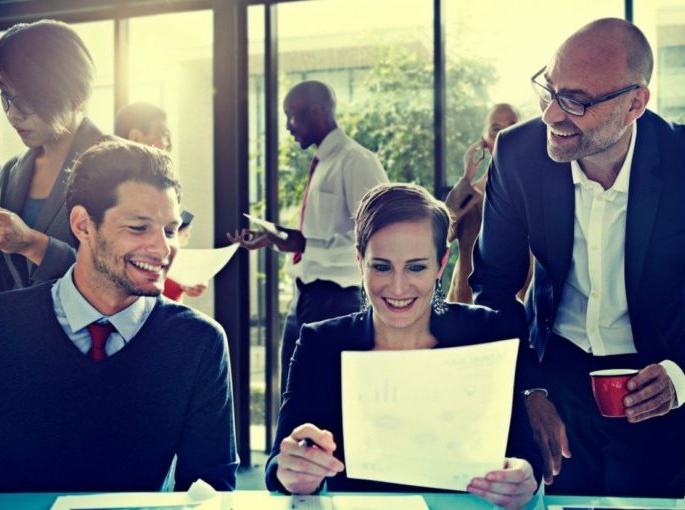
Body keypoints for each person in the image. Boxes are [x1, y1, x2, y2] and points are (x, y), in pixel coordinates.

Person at [470, 18, 685, 497]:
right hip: (554, 375)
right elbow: (493, 287)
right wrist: (528, 388)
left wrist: (680, 374)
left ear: (634, 104)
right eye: (550, 90)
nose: (553, 116)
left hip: (658, 379)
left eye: (577, 101)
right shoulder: (517, 154)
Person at [0, 139, 238, 493]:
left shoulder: (199, 344)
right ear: (82, 226)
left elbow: (210, 490)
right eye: (138, 227)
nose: (163, 248)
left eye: (169, 230)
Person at [265, 183, 539, 509]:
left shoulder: (488, 332)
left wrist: (524, 477)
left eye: (416, 267)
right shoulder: (320, 343)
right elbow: (279, 462)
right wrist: (291, 471)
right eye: (381, 266)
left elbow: (524, 452)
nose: (397, 287)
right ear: (359, 261)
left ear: (441, 264)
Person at [230, 80, 388, 394]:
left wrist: (302, 243)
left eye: (292, 116)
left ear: (316, 111)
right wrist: (274, 239)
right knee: (295, 392)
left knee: (325, 396)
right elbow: (323, 235)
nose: (288, 127)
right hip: (306, 296)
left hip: (337, 299)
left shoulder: (355, 161)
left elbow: (378, 237)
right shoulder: (322, 163)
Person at [0, 20, 105, 295]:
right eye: (5, 96)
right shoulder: (12, 171)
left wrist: (32, 244)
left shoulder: (124, 163)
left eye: (27, 99)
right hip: (22, 336)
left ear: (76, 93)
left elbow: (121, 277)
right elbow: (6, 284)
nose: (13, 114)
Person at [115, 101, 205, 301]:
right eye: (164, 134)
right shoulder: (112, 196)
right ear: (136, 137)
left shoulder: (164, 187)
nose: (169, 145)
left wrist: (184, 277)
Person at [444, 103, 527, 304]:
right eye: (496, 129)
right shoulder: (471, 196)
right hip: (467, 311)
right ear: (484, 141)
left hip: (521, 311)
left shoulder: (534, 193)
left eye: (512, 127)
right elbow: (440, 234)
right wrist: (467, 177)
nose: (504, 135)